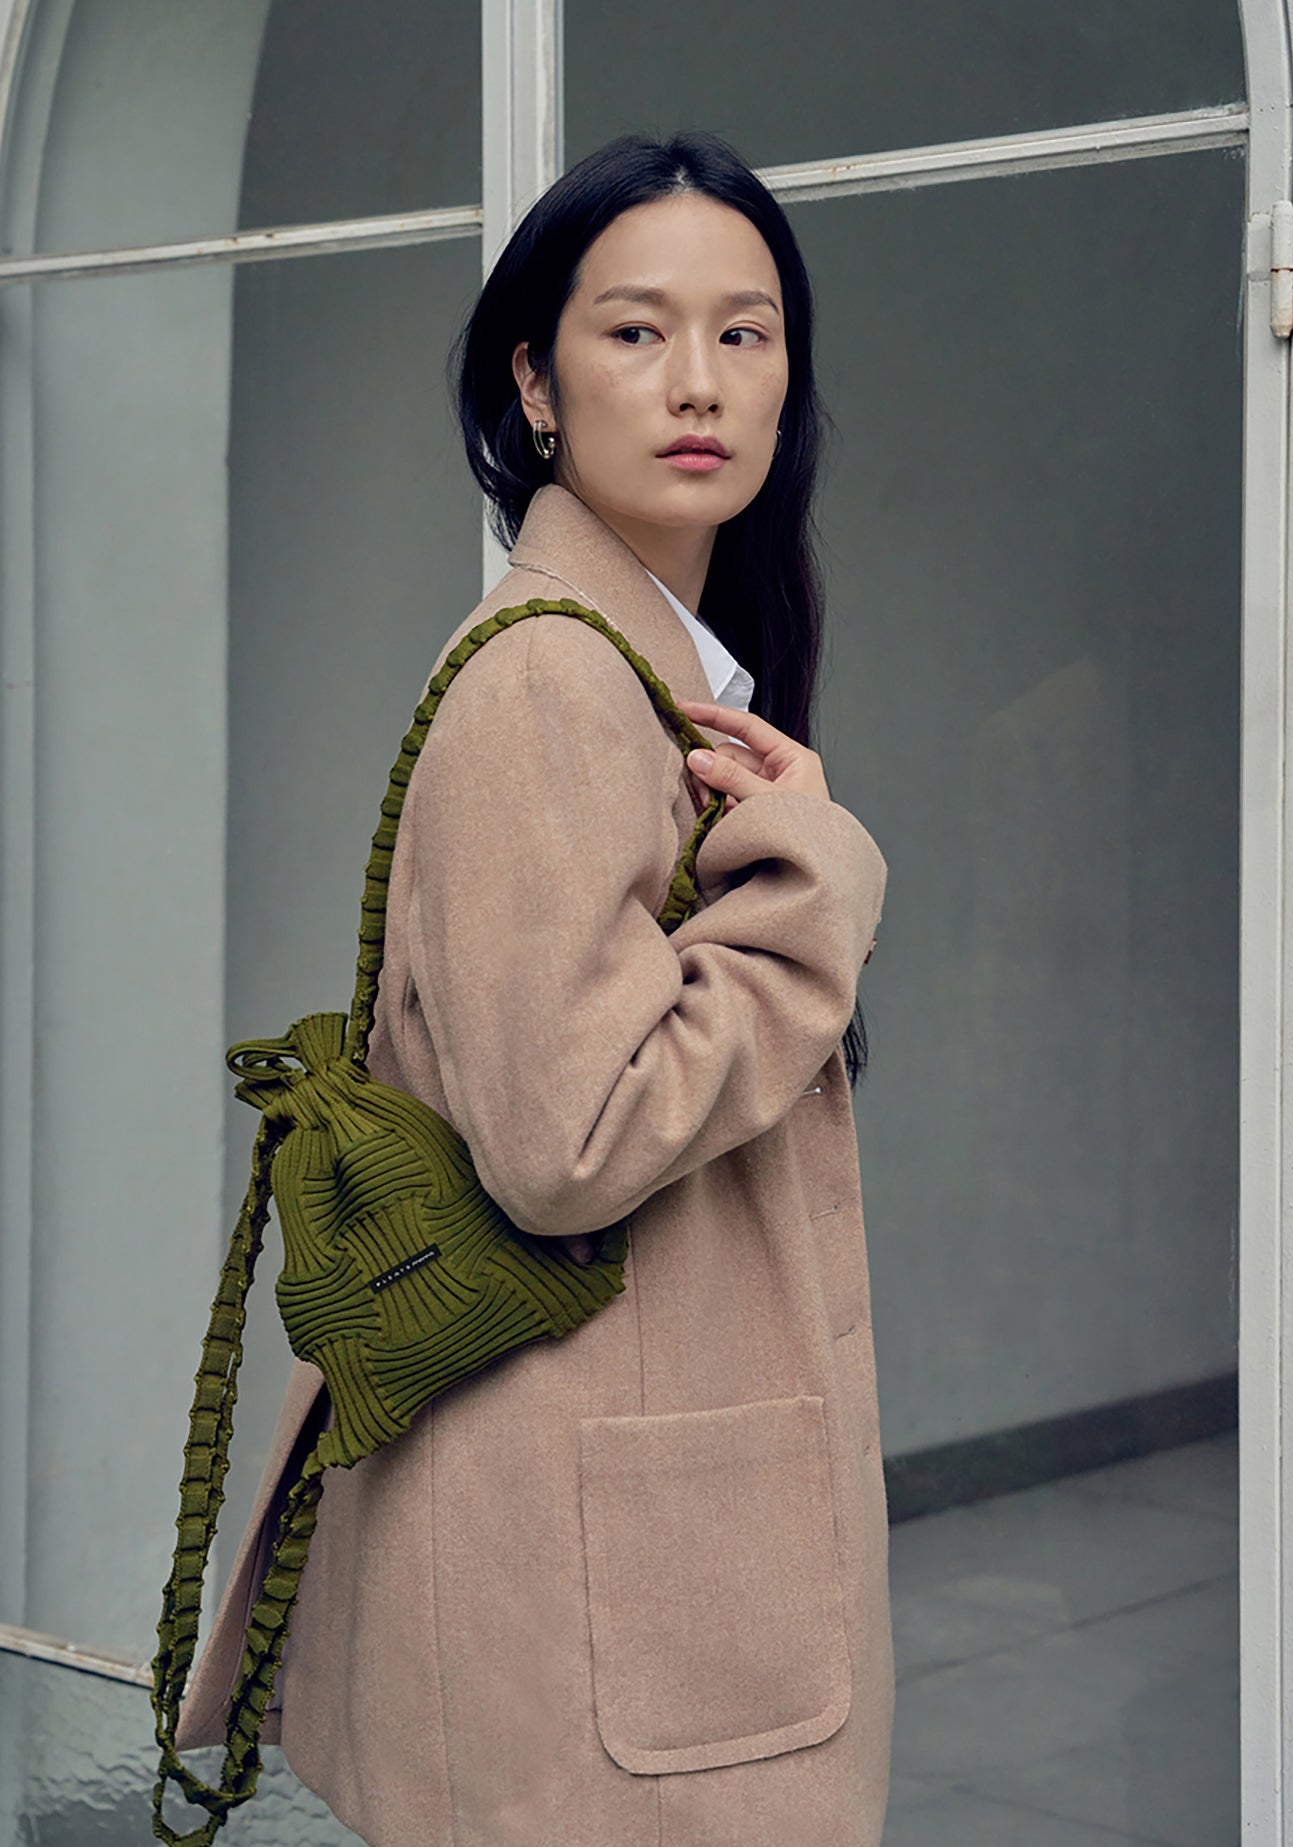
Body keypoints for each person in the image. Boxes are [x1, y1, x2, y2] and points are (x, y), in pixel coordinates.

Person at [173, 128, 891, 1847]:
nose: (699, 380)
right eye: (635, 330)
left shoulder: (650, 667)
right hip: (600, 1563)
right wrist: (815, 886)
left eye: (746, 332)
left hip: (609, 1518)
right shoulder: (557, 682)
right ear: (536, 384)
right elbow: (569, 1139)